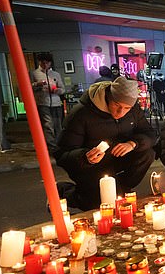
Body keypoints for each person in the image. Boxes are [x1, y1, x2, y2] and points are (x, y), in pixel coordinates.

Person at [55, 77, 157, 211]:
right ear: (109, 96)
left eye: (127, 108)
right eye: (117, 105)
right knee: (100, 205)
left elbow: (150, 134)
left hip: (118, 159)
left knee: (148, 152)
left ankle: (121, 189)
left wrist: (133, 144)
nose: (121, 113)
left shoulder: (134, 110)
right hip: (91, 166)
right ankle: (65, 191)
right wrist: (85, 157)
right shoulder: (81, 114)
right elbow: (62, 154)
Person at [30, 52, 65, 153]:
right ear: (39, 62)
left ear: (50, 63)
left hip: (56, 103)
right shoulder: (34, 74)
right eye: (42, 63)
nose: (45, 65)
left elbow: (62, 89)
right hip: (43, 103)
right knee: (48, 125)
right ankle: (52, 147)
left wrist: (56, 90)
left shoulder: (55, 74)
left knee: (58, 125)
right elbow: (29, 88)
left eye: (47, 63)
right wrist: (38, 84)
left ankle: (59, 145)